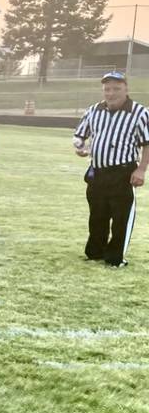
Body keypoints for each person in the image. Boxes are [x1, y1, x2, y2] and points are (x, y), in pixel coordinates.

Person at [73, 71, 149, 267]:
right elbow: (80, 136)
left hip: (123, 172)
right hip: (98, 172)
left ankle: (115, 257)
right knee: (97, 214)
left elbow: (147, 143)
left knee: (120, 217)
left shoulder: (140, 113)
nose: (111, 93)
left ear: (126, 89)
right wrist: (80, 147)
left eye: (116, 88)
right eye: (107, 89)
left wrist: (141, 170)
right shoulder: (93, 111)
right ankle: (95, 252)